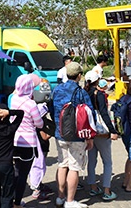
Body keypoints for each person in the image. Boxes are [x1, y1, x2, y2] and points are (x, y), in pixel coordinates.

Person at [51, 62, 94, 208]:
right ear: (79, 75)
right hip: (77, 135)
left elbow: (51, 109)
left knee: (62, 164)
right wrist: (90, 137)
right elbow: (89, 114)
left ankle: (60, 197)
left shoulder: (57, 89)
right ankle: (70, 201)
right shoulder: (81, 93)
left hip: (60, 133)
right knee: (74, 167)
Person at [9, 74, 44, 207]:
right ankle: (17, 203)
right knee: (23, 174)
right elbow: (39, 123)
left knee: (15, 171)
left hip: (15, 140)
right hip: (28, 143)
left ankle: (12, 199)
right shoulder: (31, 104)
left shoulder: (14, 99)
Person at [84, 71, 119, 202]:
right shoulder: (98, 94)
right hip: (102, 131)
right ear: (97, 80)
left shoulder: (84, 93)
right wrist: (112, 130)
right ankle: (107, 190)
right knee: (107, 162)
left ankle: (93, 187)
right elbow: (104, 114)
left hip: (90, 131)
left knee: (92, 160)